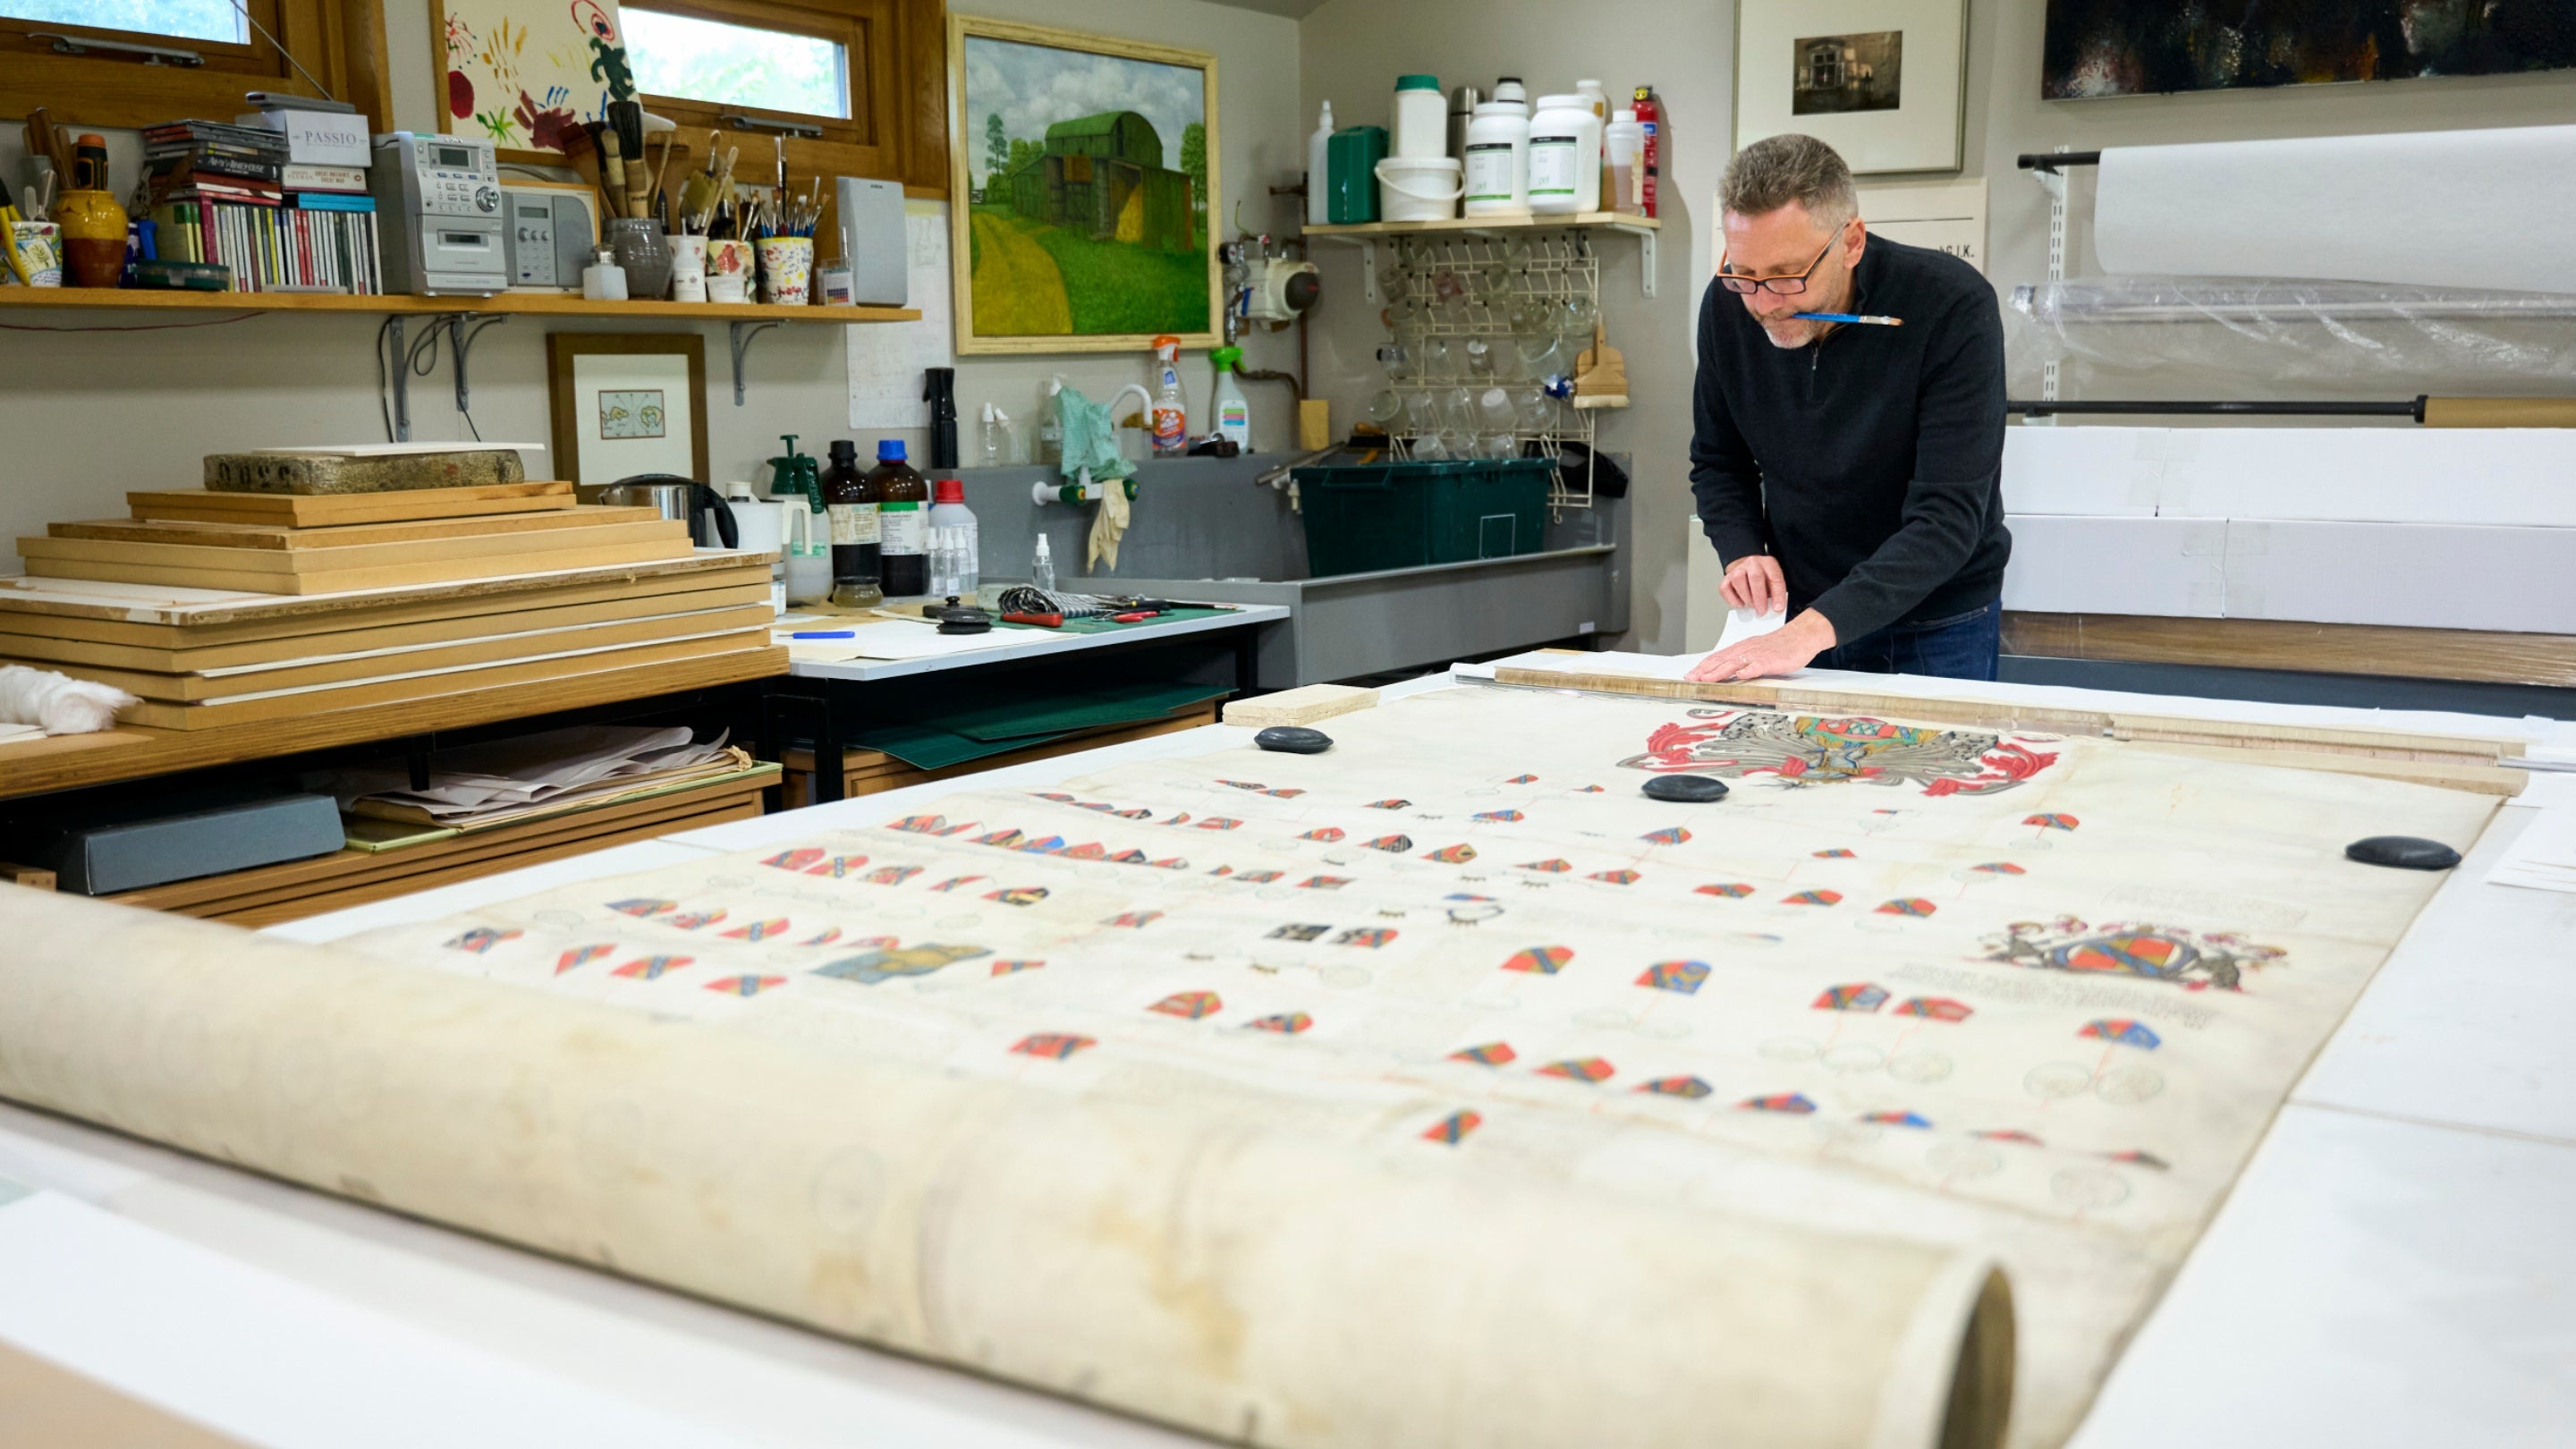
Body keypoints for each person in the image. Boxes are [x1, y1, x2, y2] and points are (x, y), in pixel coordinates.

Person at [1683, 133, 2010, 682]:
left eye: (1788, 275)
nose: (1763, 304)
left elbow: (1947, 518)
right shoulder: (1728, 304)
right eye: (1744, 274)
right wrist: (1742, 551)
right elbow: (1719, 460)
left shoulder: (1951, 305)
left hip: (1934, 622)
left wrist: (1806, 633)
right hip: (1796, 616)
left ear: (1851, 242)